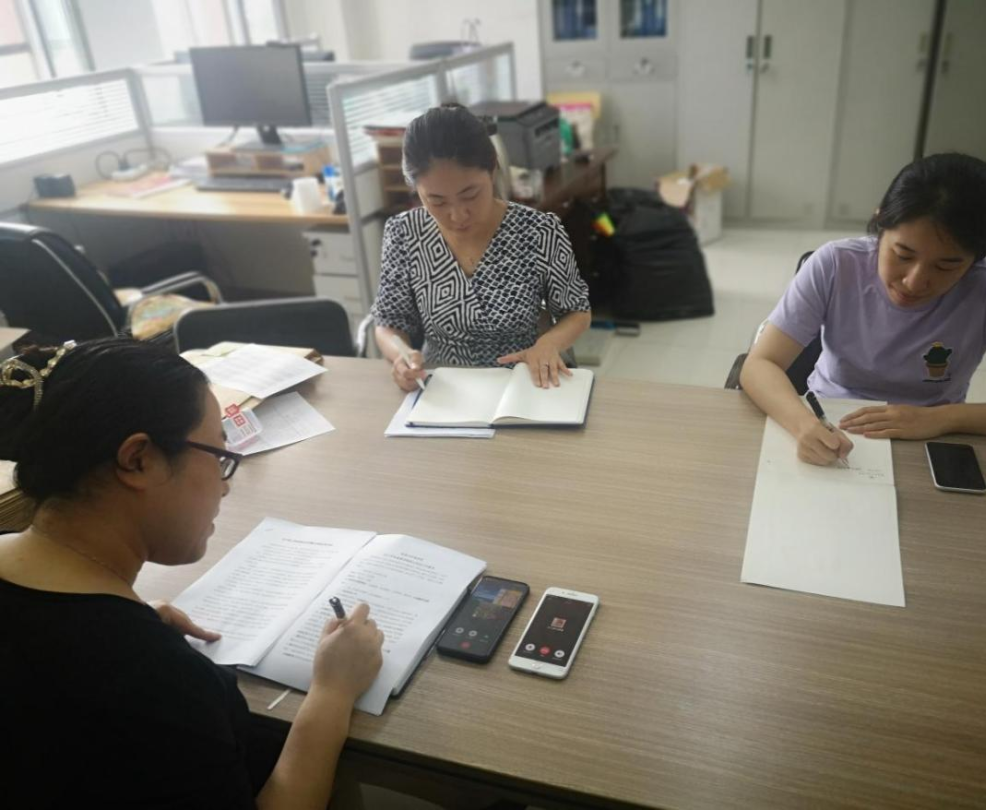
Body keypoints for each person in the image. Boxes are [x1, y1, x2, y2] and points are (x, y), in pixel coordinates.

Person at [0, 338, 384, 809]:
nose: (224, 488)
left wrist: (127, 618)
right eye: (218, 456)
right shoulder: (154, 684)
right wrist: (332, 693)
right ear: (138, 460)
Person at [740, 153, 986, 466]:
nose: (914, 282)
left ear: (978, 258)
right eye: (903, 255)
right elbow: (760, 364)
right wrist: (803, 425)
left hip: (931, 438)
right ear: (880, 222)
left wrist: (945, 418)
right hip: (830, 419)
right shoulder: (836, 264)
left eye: (946, 266)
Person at [372, 103, 592, 391]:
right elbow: (388, 322)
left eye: (470, 195)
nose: (457, 215)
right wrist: (401, 357)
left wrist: (548, 343)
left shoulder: (538, 230)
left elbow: (577, 311)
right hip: (442, 385)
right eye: (437, 201)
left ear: (492, 169)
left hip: (524, 378)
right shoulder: (404, 233)